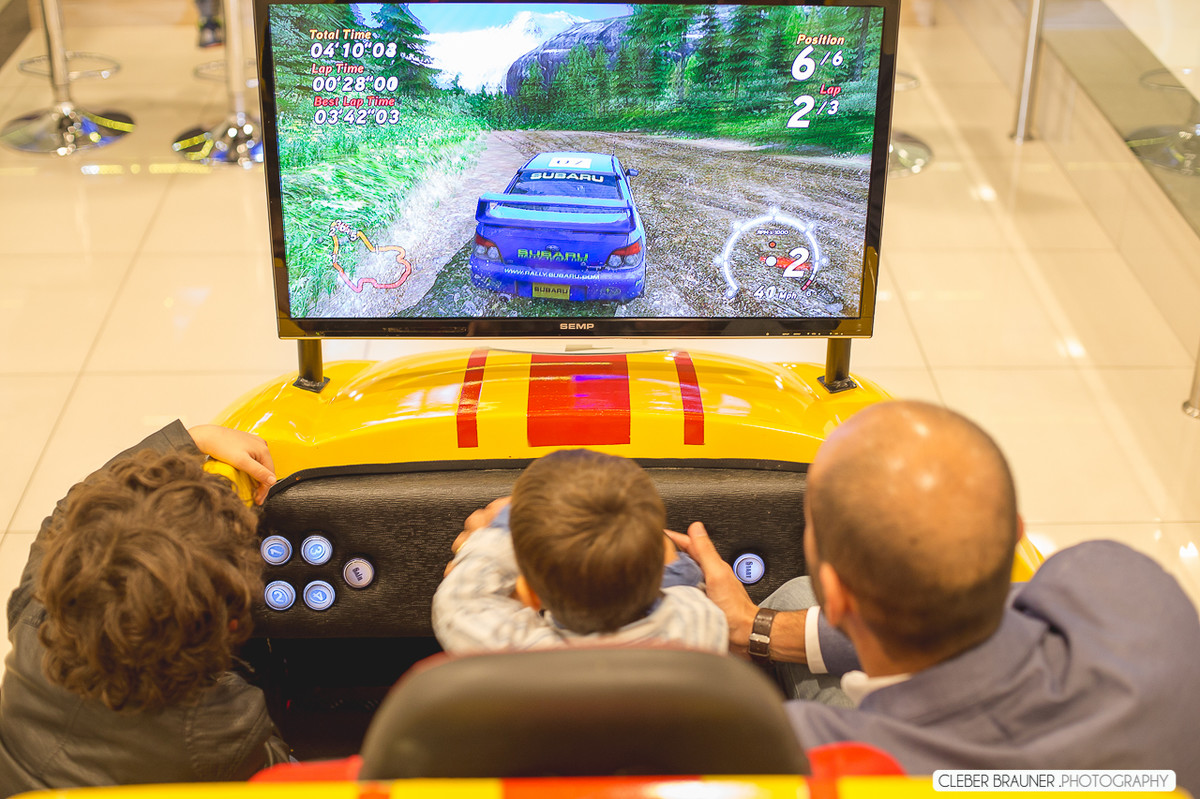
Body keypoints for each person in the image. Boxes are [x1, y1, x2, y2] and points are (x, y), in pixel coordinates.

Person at [669, 400, 1200, 791]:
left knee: (791, 594)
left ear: (837, 595)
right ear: (1015, 533)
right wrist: (756, 628)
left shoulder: (796, 753)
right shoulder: (1135, 592)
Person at [0, 422, 289, 797]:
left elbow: (67, 512)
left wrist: (190, 440)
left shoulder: (36, 611)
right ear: (227, 626)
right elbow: (283, 775)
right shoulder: (223, 729)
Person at [432, 449, 728, 654]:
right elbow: (682, 584)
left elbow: (459, 601)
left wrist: (502, 528)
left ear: (530, 596)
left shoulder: (512, 656)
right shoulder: (700, 624)